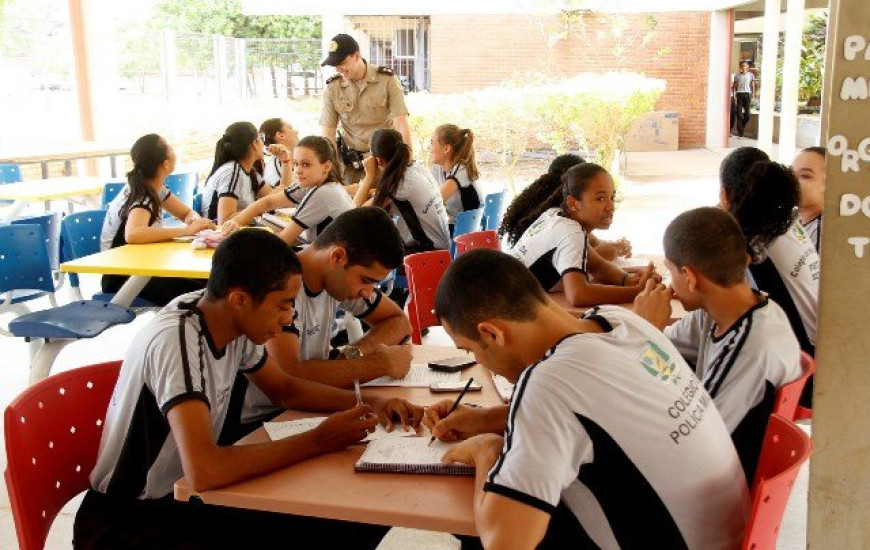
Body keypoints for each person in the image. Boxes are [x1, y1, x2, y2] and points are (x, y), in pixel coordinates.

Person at [74, 229, 422, 549]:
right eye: (284, 305)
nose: (288, 319)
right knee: (331, 526)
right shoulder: (177, 340)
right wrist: (318, 440)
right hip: (131, 521)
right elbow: (205, 470)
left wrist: (371, 403)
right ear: (240, 299)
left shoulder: (228, 318)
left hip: (185, 498)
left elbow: (284, 388)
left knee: (355, 516)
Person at [424, 249, 748, 549]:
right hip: (733, 534)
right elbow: (595, 410)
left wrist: (487, 450)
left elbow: (505, 542)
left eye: (470, 350)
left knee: (480, 525)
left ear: (492, 334)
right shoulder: (621, 321)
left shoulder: (547, 382)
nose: (479, 363)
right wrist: (485, 419)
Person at [633, 207, 801, 483]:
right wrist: (646, 333)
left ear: (689, 276)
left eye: (670, 272)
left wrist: (646, 332)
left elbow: (695, 438)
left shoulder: (751, 345)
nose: (668, 283)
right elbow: (666, 347)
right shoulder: (721, 311)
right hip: (709, 462)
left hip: (714, 489)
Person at [227, 207, 413, 442]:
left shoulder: (336, 280)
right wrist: (380, 364)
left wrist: (354, 353)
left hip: (311, 408)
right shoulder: (281, 285)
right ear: (337, 257)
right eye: (366, 281)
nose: (368, 293)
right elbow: (290, 376)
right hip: (266, 422)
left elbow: (397, 321)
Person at [507, 162, 655, 307]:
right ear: (573, 203)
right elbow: (577, 295)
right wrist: (635, 291)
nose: (611, 207)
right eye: (600, 198)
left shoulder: (554, 216)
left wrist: (630, 280)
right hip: (506, 308)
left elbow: (598, 267)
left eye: (612, 197)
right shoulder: (570, 233)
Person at [720, 147, 819, 357]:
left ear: (725, 194)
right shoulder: (788, 222)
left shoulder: (750, 241)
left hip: (801, 353)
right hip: (817, 345)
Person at [100, 134, 215, 306]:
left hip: (143, 267)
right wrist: (185, 231)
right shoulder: (142, 195)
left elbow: (185, 213)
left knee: (210, 282)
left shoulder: (155, 187)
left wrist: (194, 221)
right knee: (208, 292)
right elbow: (133, 234)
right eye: (169, 146)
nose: (173, 150)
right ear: (165, 163)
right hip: (123, 276)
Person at [499, 154, 632, 260]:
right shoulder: (556, 216)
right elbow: (574, 286)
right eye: (600, 198)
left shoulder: (557, 209)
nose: (610, 206)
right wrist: (598, 255)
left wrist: (615, 246)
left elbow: (591, 242)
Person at [320, 33, 412, 185]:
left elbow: (401, 124)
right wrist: (333, 174)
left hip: (384, 163)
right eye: (335, 65)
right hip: (350, 167)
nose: (339, 69)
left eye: (342, 63)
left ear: (356, 55)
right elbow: (327, 135)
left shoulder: (386, 80)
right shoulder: (333, 88)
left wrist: (407, 165)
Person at [225, 136, 352, 245]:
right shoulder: (312, 183)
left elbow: (284, 239)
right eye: (296, 164)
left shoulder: (323, 193)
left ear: (326, 166)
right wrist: (236, 221)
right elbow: (268, 202)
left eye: (306, 164)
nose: (298, 170)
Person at [354, 129, 450, 253]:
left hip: (428, 252)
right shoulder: (418, 168)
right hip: (443, 244)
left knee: (369, 247)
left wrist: (369, 176)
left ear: (378, 160)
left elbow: (356, 214)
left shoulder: (399, 183)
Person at [201, 121, 273, 224]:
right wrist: (258, 209)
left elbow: (275, 197)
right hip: (219, 235)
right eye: (261, 138)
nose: (264, 143)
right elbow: (224, 221)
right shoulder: (231, 173)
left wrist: (286, 162)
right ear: (254, 144)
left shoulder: (249, 171)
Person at [428, 124, 485, 227]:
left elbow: (434, 202)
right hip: (454, 226)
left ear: (446, 149)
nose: (429, 148)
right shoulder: (438, 169)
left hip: (467, 231)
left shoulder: (461, 169)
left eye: (432, 143)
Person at [259, 117, 303, 200]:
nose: (296, 131)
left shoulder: (299, 159)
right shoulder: (274, 169)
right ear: (280, 135)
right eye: (290, 128)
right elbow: (282, 198)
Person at [792, 146, 826, 252]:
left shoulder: (825, 234)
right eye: (791, 174)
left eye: (805, 176)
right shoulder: (790, 221)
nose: (793, 180)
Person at [732, 60, 756, 138]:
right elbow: (734, 86)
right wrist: (734, 95)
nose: (744, 67)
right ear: (740, 67)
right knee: (739, 114)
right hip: (739, 94)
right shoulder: (737, 75)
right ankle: (740, 132)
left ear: (748, 66)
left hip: (747, 94)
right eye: (742, 65)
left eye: (745, 65)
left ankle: (742, 125)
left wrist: (753, 95)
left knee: (747, 115)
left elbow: (752, 85)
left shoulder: (751, 75)